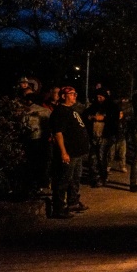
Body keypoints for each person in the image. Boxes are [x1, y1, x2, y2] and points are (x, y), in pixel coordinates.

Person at [49, 86, 90, 218]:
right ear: (63, 96)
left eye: (75, 93)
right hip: (69, 152)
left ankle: (73, 201)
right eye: (71, 94)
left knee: (75, 179)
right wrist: (63, 152)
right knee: (64, 179)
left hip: (78, 152)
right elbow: (58, 133)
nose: (74, 96)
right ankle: (59, 208)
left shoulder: (71, 110)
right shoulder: (60, 111)